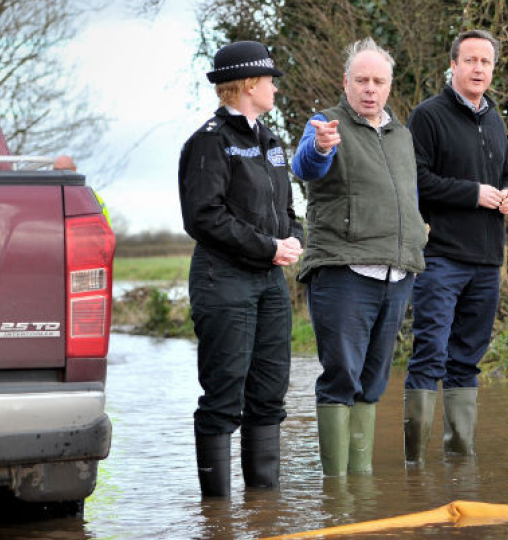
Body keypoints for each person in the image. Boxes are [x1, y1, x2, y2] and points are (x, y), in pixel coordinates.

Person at [291, 38, 426, 477]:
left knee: (373, 380)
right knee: (341, 377)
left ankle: (361, 484)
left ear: (389, 86)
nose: (370, 89)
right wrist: (322, 147)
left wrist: (419, 231)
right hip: (343, 271)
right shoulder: (325, 125)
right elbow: (306, 166)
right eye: (362, 80)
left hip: (396, 271)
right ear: (345, 82)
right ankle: (337, 489)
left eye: (379, 81)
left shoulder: (402, 135)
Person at [178, 41, 304, 497]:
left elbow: (287, 208)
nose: (275, 87)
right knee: (223, 397)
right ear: (249, 83)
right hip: (223, 280)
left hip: (269, 283)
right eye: (270, 79)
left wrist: (293, 238)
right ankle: (217, 515)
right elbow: (203, 217)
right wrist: (268, 246)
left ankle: (263, 509)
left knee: (269, 393)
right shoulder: (210, 143)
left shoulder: (271, 142)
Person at [403, 29, 508, 465]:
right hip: (442, 258)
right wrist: (473, 193)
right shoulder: (427, 116)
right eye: (469, 60)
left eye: (485, 62)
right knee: (430, 353)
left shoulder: (495, 119)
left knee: (467, 359)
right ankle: (414, 464)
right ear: (452, 65)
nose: (478, 68)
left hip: (488, 261)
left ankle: (459, 458)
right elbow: (418, 180)